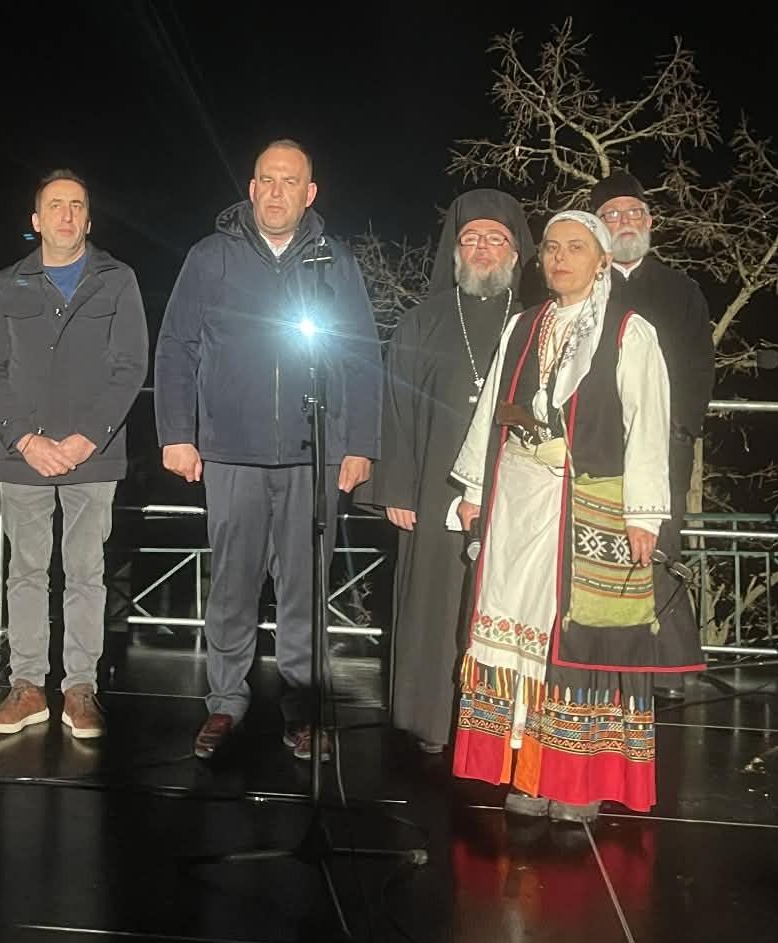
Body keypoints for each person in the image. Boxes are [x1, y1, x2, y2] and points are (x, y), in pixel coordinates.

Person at [450, 210, 692, 822]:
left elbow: (648, 426)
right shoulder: (523, 326)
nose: (560, 258)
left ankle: (578, 779)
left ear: (602, 260)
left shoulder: (629, 331)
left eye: (575, 248)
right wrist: (475, 486)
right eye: (552, 248)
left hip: (590, 505)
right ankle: (529, 771)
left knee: (581, 635)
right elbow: (492, 410)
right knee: (523, 630)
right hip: (519, 502)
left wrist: (645, 513)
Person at [154, 140, 383, 761]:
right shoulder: (210, 257)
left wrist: (360, 443)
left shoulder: (333, 261)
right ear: (252, 189)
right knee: (232, 584)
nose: (277, 192)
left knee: (304, 590)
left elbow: (361, 352)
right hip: (231, 452)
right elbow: (176, 346)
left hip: (315, 453)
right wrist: (177, 433)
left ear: (310, 194)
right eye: (267, 180)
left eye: (290, 181)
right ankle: (225, 703)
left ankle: (303, 713)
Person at [0, 169, 148, 741]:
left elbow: (131, 367)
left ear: (88, 220)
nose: (66, 215)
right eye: (55, 205)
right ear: (36, 219)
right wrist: (26, 439)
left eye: (76, 206)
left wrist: (86, 438)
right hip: (24, 455)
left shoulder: (117, 280)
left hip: (91, 456)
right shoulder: (8, 284)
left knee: (86, 573)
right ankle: (27, 686)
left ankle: (80, 688)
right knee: (25, 570)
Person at [371, 189, 536, 753]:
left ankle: (497, 727)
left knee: (504, 604)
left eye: (496, 239)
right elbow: (394, 405)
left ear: (515, 252)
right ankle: (430, 721)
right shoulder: (423, 321)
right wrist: (395, 486)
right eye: (471, 239)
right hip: (432, 483)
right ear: (455, 251)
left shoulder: (534, 322)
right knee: (435, 602)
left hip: (515, 489)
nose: (483, 249)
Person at [592, 171, 715, 699]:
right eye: (613, 215)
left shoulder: (681, 289)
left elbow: (700, 366)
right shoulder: (584, 284)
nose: (625, 222)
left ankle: (668, 668)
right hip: (596, 443)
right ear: (598, 226)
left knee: (660, 549)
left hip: (664, 445)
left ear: (650, 222)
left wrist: (680, 429)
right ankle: (603, 661)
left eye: (634, 213)